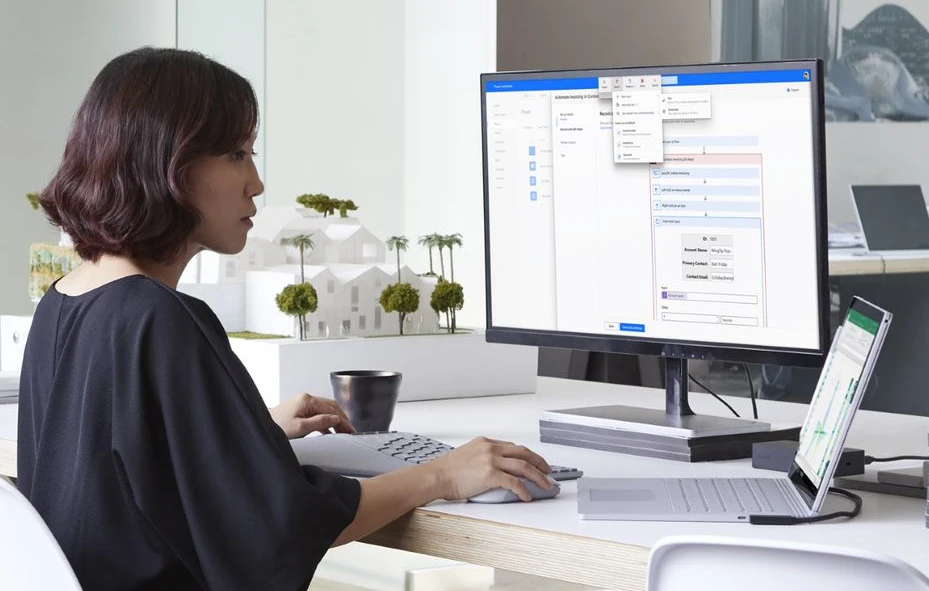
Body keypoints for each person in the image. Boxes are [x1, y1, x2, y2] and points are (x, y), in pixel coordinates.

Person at [17, 47, 554, 591]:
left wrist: (247, 435)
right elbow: (282, 530)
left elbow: (107, 474)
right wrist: (443, 473)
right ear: (167, 163)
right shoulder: (160, 318)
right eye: (235, 155)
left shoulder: (68, 298)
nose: (256, 181)